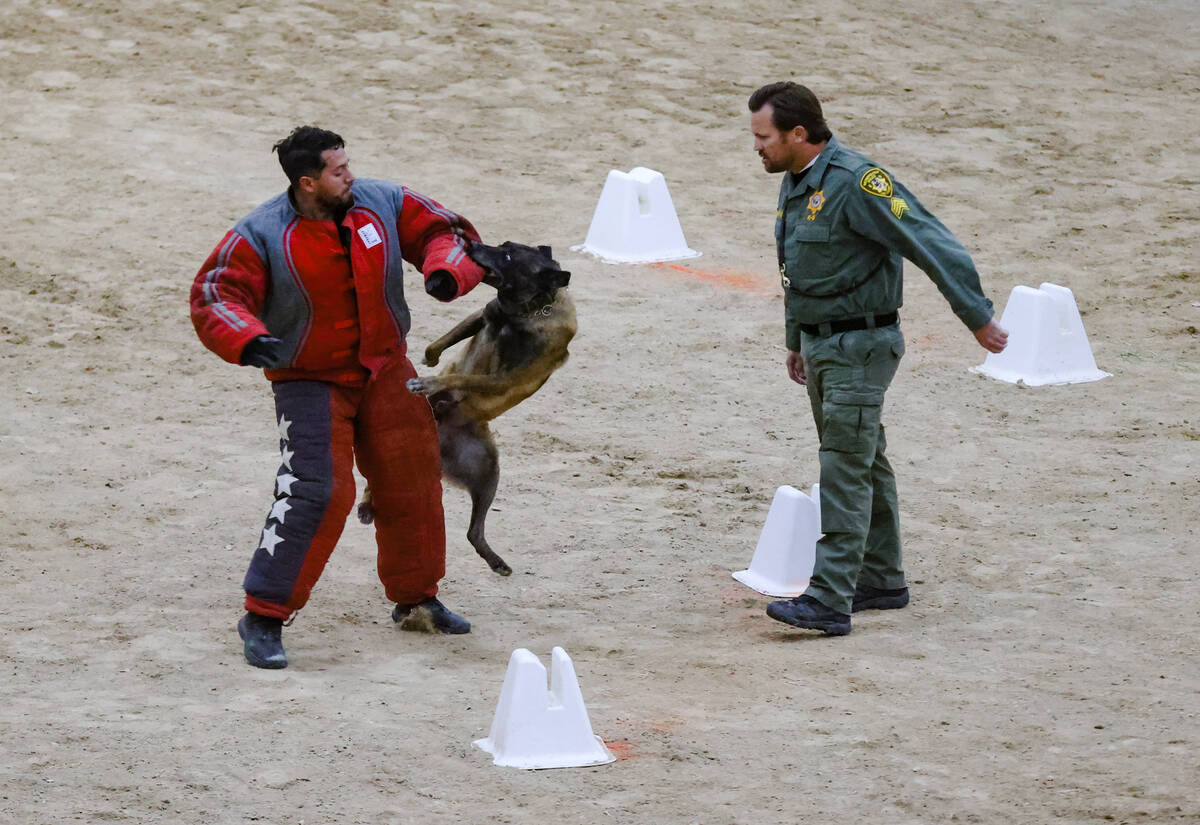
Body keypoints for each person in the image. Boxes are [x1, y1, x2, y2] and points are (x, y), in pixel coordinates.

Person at [191, 126, 489, 668]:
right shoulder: (259, 233)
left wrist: (448, 270)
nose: (350, 175)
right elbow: (216, 294)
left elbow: (444, 231)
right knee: (317, 491)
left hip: (385, 368)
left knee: (413, 479)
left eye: (348, 165)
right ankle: (262, 616)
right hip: (309, 379)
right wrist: (247, 336)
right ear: (308, 183)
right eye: (338, 170)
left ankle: (417, 600)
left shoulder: (381, 201)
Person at [748, 82, 1008, 636]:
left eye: (763, 137)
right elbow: (800, 269)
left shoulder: (857, 182)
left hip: (859, 347)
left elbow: (929, 240)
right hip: (824, 343)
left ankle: (830, 597)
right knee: (864, 459)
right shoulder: (799, 181)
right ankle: (881, 578)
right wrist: (798, 337)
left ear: (799, 133)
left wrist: (977, 316)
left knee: (842, 466)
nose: (757, 148)